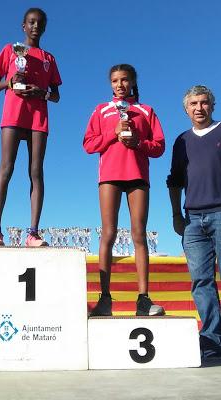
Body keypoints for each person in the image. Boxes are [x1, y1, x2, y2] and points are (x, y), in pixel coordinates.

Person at [83, 64, 165, 316]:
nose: (120, 85)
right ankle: (105, 299)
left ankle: (143, 299)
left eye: (125, 80)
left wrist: (138, 142)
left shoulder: (145, 110)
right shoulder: (101, 110)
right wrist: (113, 132)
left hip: (138, 176)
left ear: (132, 82)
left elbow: (159, 146)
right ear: (110, 84)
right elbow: (88, 144)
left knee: (139, 234)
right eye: (115, 80)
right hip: (109, 176)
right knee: (107, 233)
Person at [0, 8, 62, 247]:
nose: (35, 26)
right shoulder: (10, 49)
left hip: (39, 116)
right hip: (13, 114)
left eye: (39, 23)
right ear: (23, 25)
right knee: (6, 168)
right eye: (31, 22)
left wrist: (43, 93)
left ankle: (33, 233)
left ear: (44, 27)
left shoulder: (49, 58)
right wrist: (9, 82)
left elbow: (57, 95)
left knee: (36, 171)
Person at [167, 85, 221, 357]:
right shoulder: (181, 141)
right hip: (192, 220)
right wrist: (176, 214)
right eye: (193, 104)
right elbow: (174, 181)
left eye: (204, 103)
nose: (199, 108)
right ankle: (212, 341)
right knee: (201, 281)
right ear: (186, 110)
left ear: (212, 105)